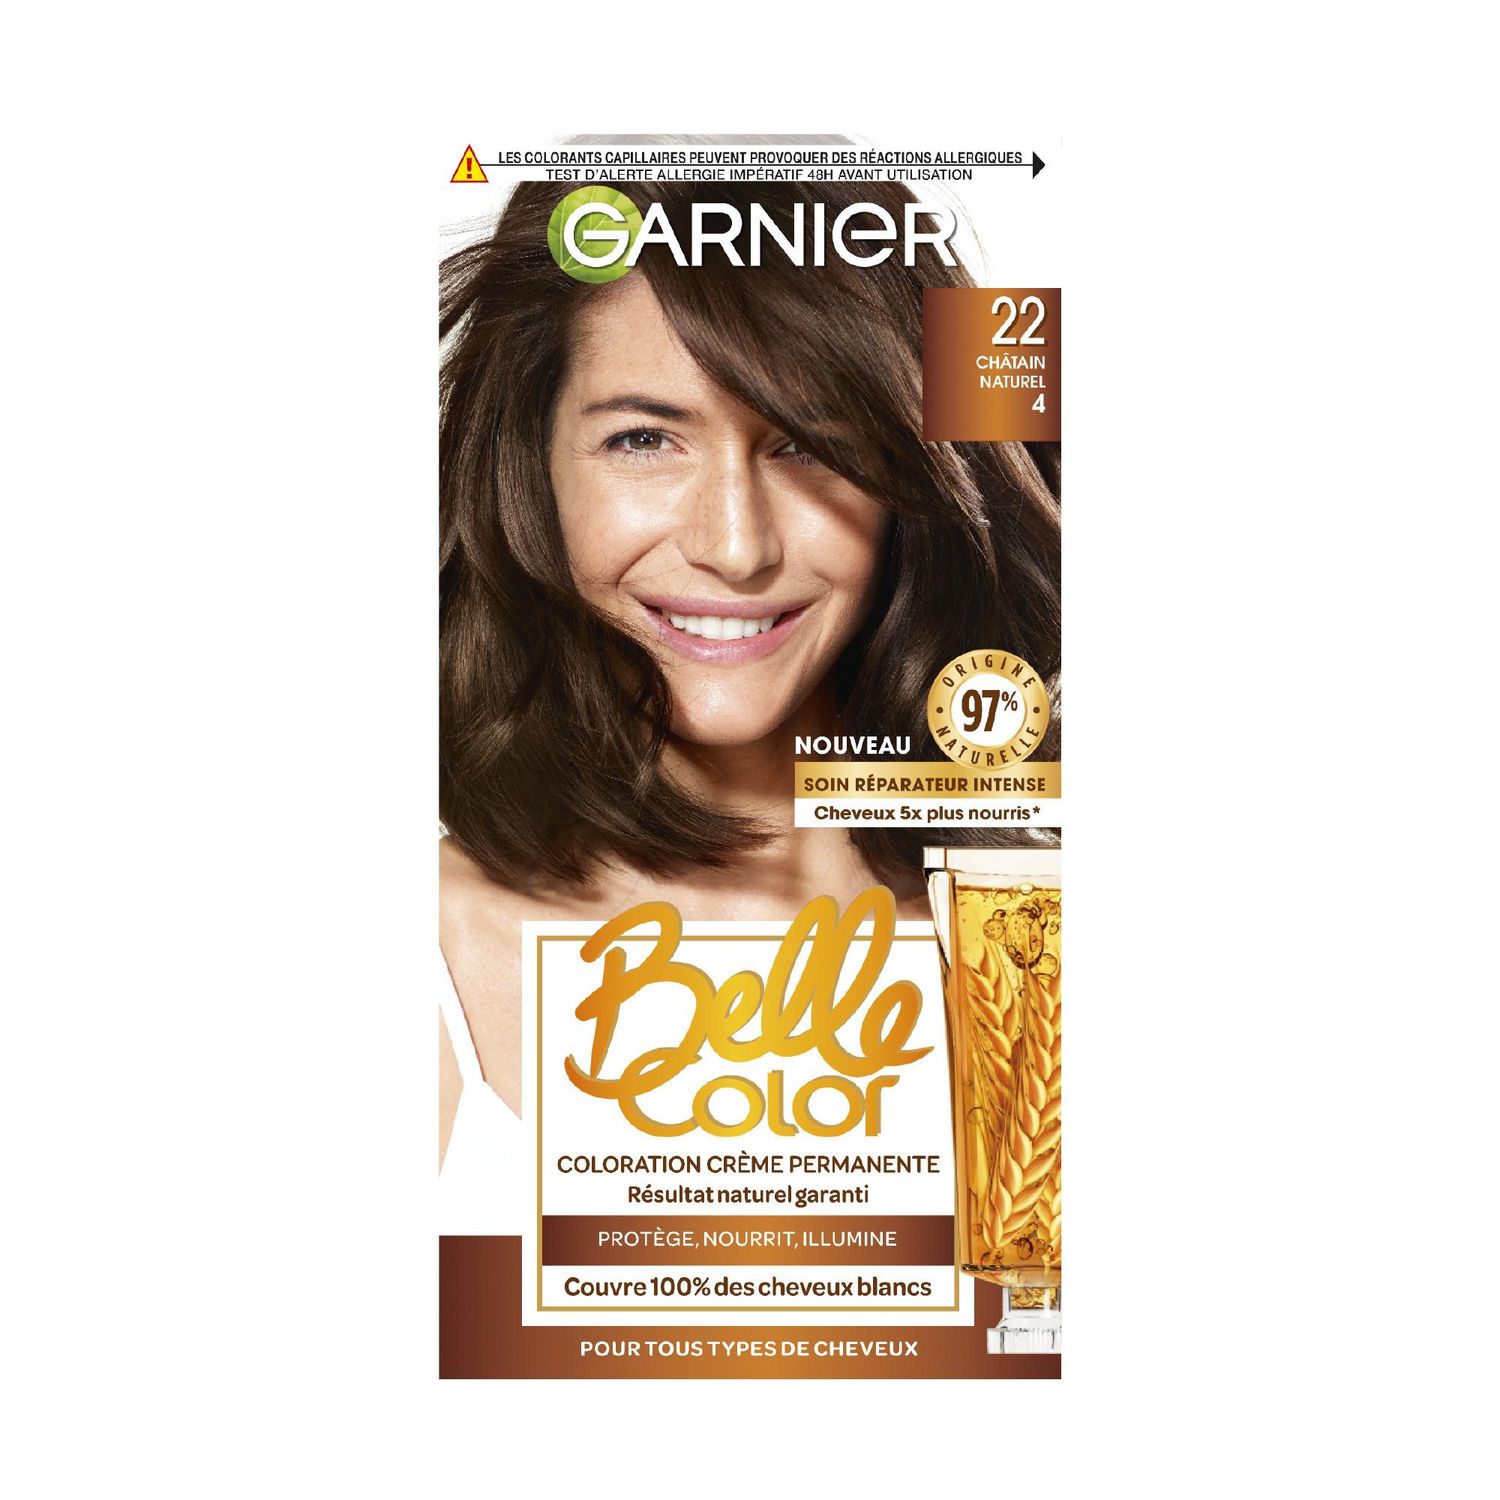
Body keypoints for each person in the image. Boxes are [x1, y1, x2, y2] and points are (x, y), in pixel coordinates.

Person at [437, 181, 1060, 1166]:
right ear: (529, 471)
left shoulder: (1038, 942)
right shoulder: (428, 942)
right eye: (644, 439)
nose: (736, 547)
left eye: (810, 444)